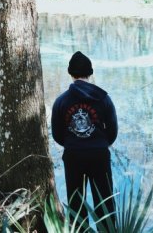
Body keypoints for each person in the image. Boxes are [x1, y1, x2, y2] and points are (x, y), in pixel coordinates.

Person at [51, 51, 118, 226]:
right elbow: (113, 131)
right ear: (90, 72)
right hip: (99, 155)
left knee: (76, 203)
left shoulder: (61, 101)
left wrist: (73, 143)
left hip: (73, 156)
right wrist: (101, 144)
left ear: (70, 72)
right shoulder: (104, 99)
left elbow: (57, 134)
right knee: (105, 202)